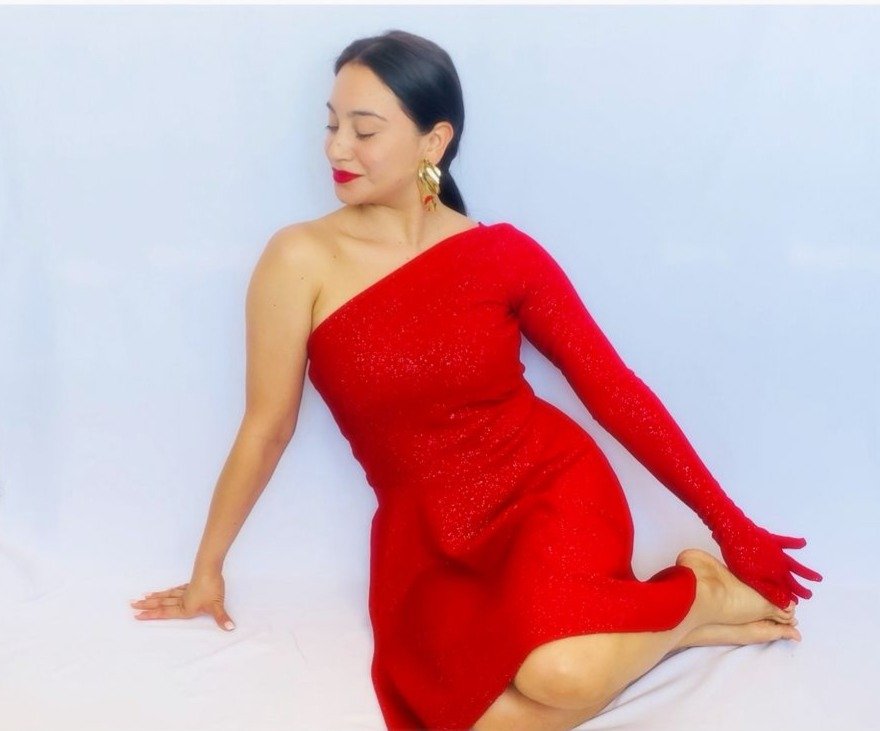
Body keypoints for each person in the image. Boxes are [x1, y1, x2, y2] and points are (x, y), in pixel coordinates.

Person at [129, 29, 823, 731]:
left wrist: (730, 522)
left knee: (560, 673)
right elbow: (266, 426)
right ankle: (689, 616)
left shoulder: (503, 255)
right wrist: (208, 569)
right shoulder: (297, 259)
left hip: (549, 489)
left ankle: (697, 591)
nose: (337, 148)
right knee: (472, 717)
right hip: (427, 534)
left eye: (364, 130)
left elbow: (614, 389)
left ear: (433, 142)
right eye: (331, 125)